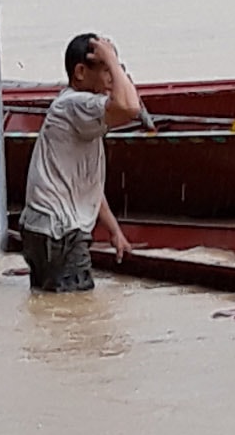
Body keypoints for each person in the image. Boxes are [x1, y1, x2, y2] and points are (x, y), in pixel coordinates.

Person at [19, 32, 144, 292]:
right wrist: (110, 57)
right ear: (80, 72)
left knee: (53, 309)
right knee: (77, 311)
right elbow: (130, 108)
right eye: (106, 69)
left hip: (44, 229)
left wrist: (113, 230)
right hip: (61, 232)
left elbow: (87, 185)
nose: (112, 77)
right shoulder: (77, 105)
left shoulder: (79, 114)